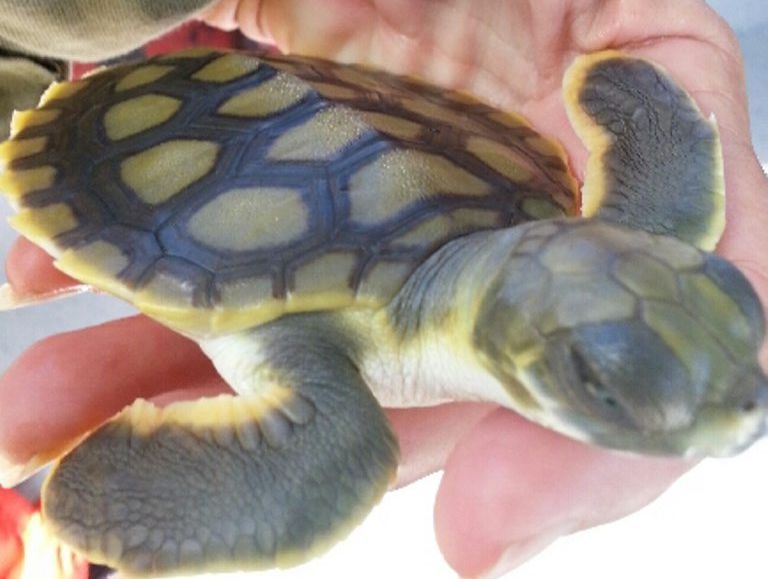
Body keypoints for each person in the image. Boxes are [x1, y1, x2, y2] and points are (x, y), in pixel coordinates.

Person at [1, 1, 766, 577]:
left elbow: (639, 165)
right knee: (334, 463)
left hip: (330, 108)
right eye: (600, 383)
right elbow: (636, 111)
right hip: (136, 139)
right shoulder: (336, 384)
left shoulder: (611, 232)